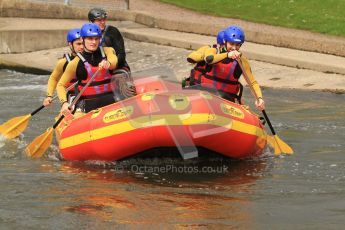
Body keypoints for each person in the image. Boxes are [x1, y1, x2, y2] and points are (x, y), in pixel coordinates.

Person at [186, 26, 265, 110]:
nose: (234, 48)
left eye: (237, 45)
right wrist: (227, 55)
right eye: (231, 44)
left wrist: (259, 98)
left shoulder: (242, 61)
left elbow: (252, 83)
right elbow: (209, 59)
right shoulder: (213, 50)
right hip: (203, 95)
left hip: (225, 101)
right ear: (224, 41)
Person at [57, 23, 118, 115]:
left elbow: (114, 61)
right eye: (90, 38)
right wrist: (64, 103)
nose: (94, 42)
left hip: (112, 104)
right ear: (82, 39)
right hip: (89, 109)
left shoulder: (108, 51)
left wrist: (108, 63)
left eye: (96, 38)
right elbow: (61, 85)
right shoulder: (75, 63)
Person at [43, 28, 84, 106]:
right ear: (70, 45)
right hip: (72, 100)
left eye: (83, 43)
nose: (82, 47)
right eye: (78, 44)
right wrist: (49, 96)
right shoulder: (63, 62)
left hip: (89, 97)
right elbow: (54, 78)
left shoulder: (93, 59)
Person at [88, 8, 130, 73]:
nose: (102, 22)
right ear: (91, 22)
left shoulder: (112, 31)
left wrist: (110, 65)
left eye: (104, 19)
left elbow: (121, 54)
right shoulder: (87, 32)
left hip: (115, 66)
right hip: (96, 68)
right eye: (99, 20)